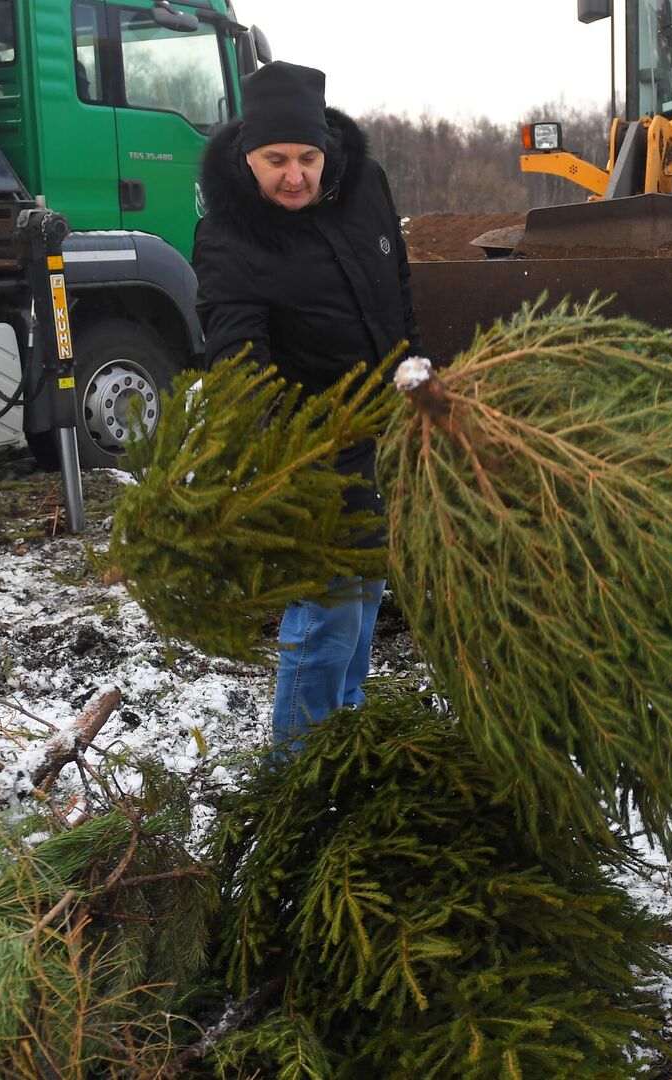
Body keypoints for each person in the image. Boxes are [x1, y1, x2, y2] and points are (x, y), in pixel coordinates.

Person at [191, 61, 426, 750]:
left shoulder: (367, 186)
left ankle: (342, 739)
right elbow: (237, 357)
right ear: (247, 156)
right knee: (326, 616)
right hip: (312, 445)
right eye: (275, 160)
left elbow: (399, 282)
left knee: (365, 597)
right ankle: (295, 772)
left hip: (386, 428)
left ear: (327, 150)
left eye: (306, 158)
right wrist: (283, 454)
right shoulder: (231, 235)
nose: (293, 175)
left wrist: (416, 369)